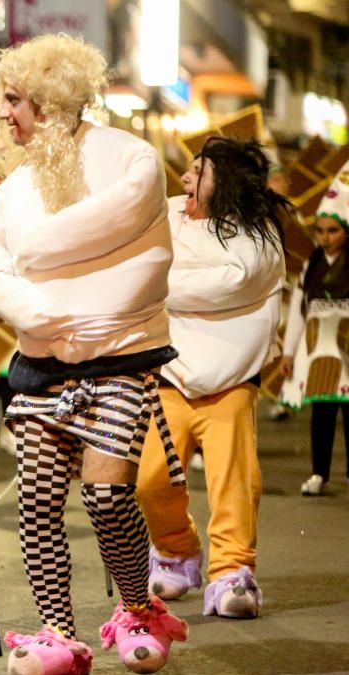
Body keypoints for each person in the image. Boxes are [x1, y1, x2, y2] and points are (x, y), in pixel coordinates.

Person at [0, 34, 187, 675]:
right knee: (38, 500)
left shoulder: (127, 159)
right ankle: (59, 637)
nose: (3, 115)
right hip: (42, 367)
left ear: (48, 99)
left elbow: (52, 258)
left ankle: (137, 608)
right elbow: (12, 273)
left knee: (105, 498)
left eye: (13, 100)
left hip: (120, 362)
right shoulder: (17, 189)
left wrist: (35, 258)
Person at [135, 137, 288, 621]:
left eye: (198, 171)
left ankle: (232, 571)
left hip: (232, 381)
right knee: (149, 478)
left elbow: (238, 279)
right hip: (169, 374)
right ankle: (177, 551)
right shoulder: (166, 213)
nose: (184, 177)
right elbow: (138, 267)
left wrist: (163, 285)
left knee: (234, 481)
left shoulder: (258, 233)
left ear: (225, 184)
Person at [279, 168, 349, 496]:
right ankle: (319, 472)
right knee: (321, 412)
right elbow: (298, 309)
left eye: (333, 230)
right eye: (320, 230)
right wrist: (289, 352)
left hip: (347, 351)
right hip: (321, 350)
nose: (325, 237)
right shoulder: (312, 264)